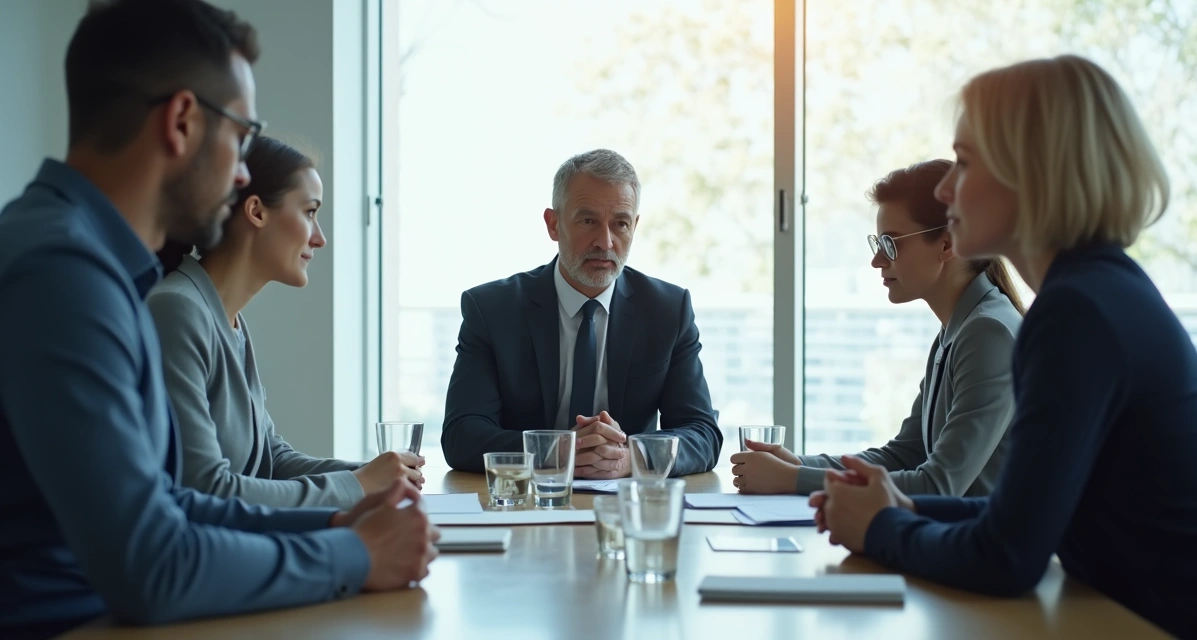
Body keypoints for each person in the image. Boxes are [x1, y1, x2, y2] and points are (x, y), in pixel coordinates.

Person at [0, 1, 437, 637]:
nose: (240, 173)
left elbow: (171, 504)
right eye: (240, 135)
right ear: (181, 121)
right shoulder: (63, 273)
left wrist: (333, 524)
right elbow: (150, 565)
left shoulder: (95, 264)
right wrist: (355, 554)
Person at [811, 54, 1197, 639]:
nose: (947, 191)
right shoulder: (1099, 290)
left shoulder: (1075, 314)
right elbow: (1022, 517)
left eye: (965, 164)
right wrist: (902, 508)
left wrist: (881, 527)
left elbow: (1007, 557)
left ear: (1035, 174)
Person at [149, 136, 423, 509]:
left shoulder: (227, 320)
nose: (320, 238)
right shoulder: (178, 311)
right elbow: (206, 490)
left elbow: (271, 461)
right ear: (257, 211)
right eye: (310, 212)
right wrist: (358, 484)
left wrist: (375, 473)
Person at [730, 160, 1023, 496]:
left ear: (946, 245)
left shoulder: (988, 333)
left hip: (973, 545)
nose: (877, 260)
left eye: (892, 244)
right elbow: (903, 455)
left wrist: (790, 480)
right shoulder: (959, 329)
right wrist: (796, 464)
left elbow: (939, 485)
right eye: (878, 244)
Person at [441, 149, 723, 478]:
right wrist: (559, 450)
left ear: (635, 226)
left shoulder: (667, 310)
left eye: (620, 223)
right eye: (588, 221)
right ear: (553, 224)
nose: (605, 242)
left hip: (627, 504)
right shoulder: (492, 310)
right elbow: (462, 435)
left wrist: (631, 457)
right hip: (526, 503)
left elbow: (702, 432)